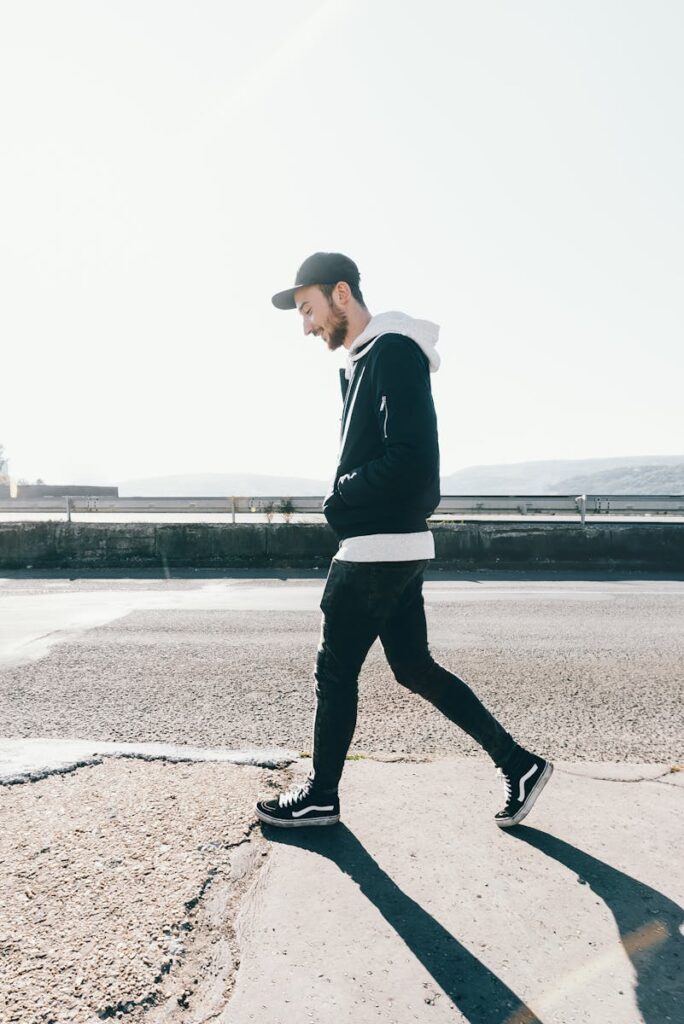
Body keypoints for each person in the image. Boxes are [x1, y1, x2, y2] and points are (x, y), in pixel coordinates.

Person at [255, 252, 552, 829]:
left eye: (310, 309)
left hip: (375, 550)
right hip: (394, 547)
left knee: (334, 670)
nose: (307, 325)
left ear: (342, 294)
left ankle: (321, 794)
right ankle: (518, 765)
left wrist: (340, 496)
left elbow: (414, 461)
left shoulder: (391, 353)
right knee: (412, 667)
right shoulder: (368, 359)